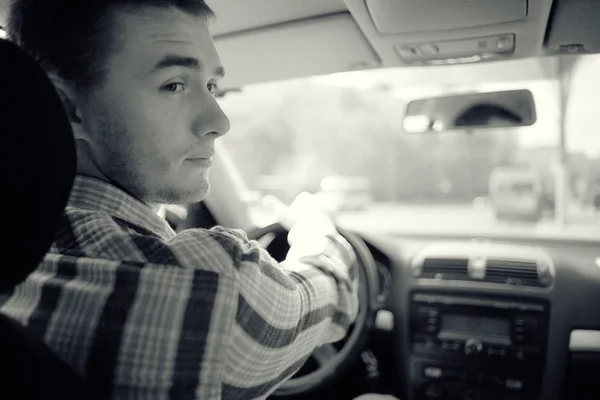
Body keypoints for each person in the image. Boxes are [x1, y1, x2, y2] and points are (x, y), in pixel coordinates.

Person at [0, 1, 397, 399]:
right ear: (67, 107)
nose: (220, 122)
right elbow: (331, 296)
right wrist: (317, 229)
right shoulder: (205, 281)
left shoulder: (19, 253)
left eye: (212, 86)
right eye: (174, 84)